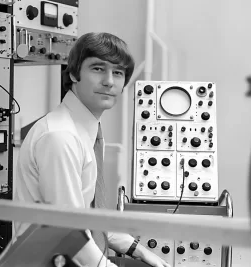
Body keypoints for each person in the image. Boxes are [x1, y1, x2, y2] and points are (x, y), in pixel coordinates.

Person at [14, 32, 170, 267]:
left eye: (118, 73)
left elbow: (88, 216)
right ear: (75, 73)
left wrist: (138, 250)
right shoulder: (60, 138)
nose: (109, 81)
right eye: (98, 69)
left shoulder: (86, 130)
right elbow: (69, 234)